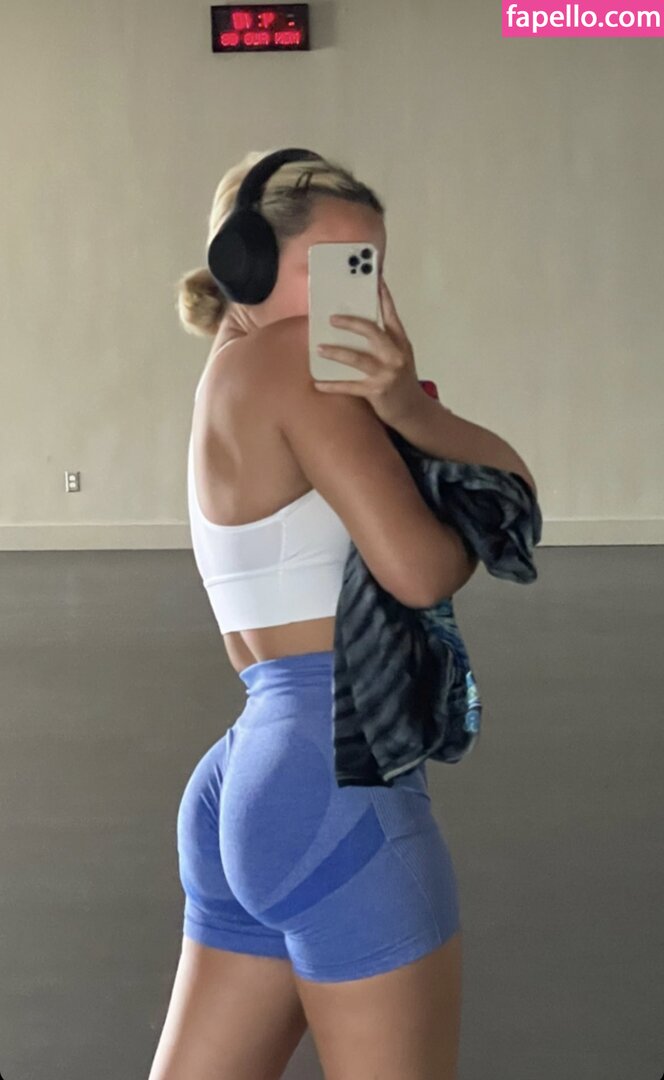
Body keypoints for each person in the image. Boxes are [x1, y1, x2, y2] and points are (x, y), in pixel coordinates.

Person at [148, 149, 465, 1080]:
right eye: (330, 268)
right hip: (338, 770)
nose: (356, 298)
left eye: (368, 270)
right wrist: (452, 487)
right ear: (244, 264)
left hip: (251, 773)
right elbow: (420, 573)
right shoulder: (293, 363)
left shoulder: (230, 372)